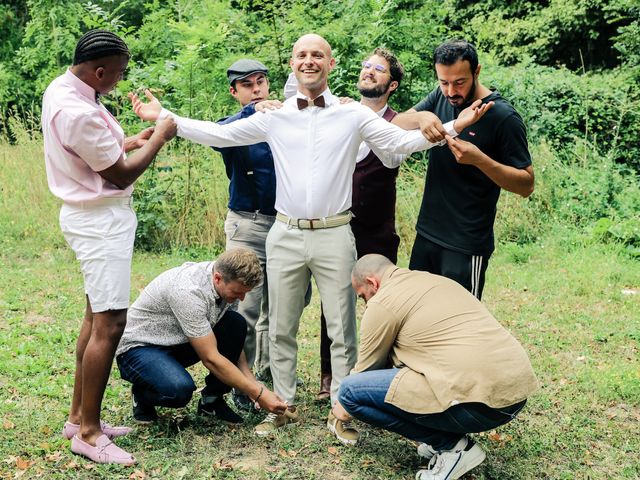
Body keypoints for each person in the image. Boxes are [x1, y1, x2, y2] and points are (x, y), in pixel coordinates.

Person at [129, 33, 491, 442]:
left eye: (317, 54)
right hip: (284, 233)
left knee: (343, 328)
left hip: (336, 233)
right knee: (281, 324)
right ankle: (281, 405)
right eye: (302, 54)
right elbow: (219, 133)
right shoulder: (275, 115)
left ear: (331, 64)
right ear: (292, 64)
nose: (309, 61)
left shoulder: (353, 115)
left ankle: (343, 410)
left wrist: (453, 125)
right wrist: (165, 116)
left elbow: (401, 142)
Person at [42, 29, 176, 465]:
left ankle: (77, 415)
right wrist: (158, 136)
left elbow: (95, 154)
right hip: (100, 221)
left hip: (89, 214)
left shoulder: (63, 88)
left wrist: (128, 142)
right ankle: (88, 433)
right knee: (111, 324)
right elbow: (119, 176)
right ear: (98, 72)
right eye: (117, 74)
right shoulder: (77, 110)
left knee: (94, 315)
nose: (120, 80)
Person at [333, 254, 538, 479]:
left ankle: (453, 447)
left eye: (363, 297)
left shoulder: (382, 302)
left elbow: (366, 373)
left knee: (350, 391)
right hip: (515, 396)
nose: (366, 304)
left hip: (480, 407)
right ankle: (442, 438)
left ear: (373, 283)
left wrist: (342, 407)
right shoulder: (433, 281)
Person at [393, 40, 534, 299]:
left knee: (459, 328)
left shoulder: (504, 117)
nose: (450, 91)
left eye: (459, 82)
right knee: (418, 319)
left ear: (477, 72)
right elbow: (396, 122)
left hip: (466, 245)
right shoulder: (439, 96)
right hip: (427, 233)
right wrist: (421, 117)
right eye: (443, 82)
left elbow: (526, 184)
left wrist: (481, 159)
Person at [316, 47, 407, 402]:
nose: (369, 71)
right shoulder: (337, 113)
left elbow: (395, 155)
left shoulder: (397, 123)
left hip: (377, 228)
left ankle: (377, 374)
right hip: (337, 225)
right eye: (366, 66)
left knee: (381, 303)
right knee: (333, 300)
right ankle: (328, 374)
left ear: (392, 84)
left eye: (378, 69)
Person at [115, 248, 288, 427]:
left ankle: (211, 401)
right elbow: (211, 358)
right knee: (179, 390)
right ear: (218, 278)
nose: (242, 298)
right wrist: (259, 393)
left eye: (245, 293)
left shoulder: (227, 283)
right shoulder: (188, 291)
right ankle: (142, 394)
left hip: (178, 340)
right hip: (139, 348)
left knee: (235, 323)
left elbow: (232, 342)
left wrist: (254, 384)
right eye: (237, 293)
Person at [213, 58, 276, 410]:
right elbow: (217, 134)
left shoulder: (283, 117)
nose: (256, 90)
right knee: (243, 307)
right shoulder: (234, 125)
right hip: (247, 223)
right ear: (234, 91)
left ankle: (267, 372)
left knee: (281, 307)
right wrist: (253, 113)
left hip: (284, 223)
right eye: (248, 84)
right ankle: (242, 385)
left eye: (261, 82)